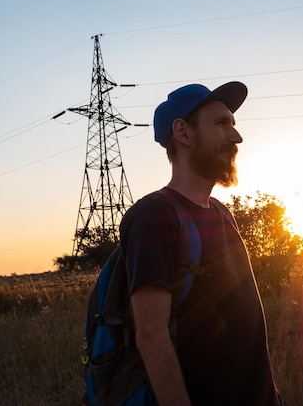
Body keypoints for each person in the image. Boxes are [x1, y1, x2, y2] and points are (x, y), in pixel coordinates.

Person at [120, 82, 282, 405]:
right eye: (222, 124)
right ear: (183, 132)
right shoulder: (155, 216)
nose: (236, 137)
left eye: (233, 125)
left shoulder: (222, 214)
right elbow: (151, 337)